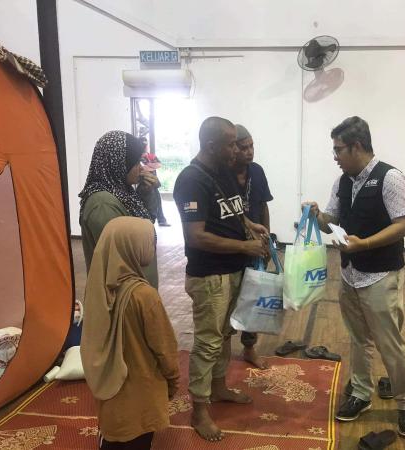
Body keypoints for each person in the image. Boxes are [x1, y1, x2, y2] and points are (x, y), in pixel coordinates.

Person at [305, 116, 405, 437]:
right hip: (350, 274)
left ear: (356, 147)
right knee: (358, 339)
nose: (335, 156)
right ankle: (360, 392)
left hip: (381, 275)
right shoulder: (343, 181)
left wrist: (365, 244)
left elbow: (403, 225)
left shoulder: (390, 178)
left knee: (389, 343)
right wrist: (317, 216)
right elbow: (331, 220)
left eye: (338, 149)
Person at [173, 116, 269, 442]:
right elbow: (196, 236)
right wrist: (245, 246)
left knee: (226, 335)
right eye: (231, 144)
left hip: (233, 270)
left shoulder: (223, 172)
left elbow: (233, 211)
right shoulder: (191, 180)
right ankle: (199, 410)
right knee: (208, 343)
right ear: (212, 145)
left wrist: (250, 225)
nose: (237, 150)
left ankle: (218, 388)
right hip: (209, 276)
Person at [80, 216, 179, 450]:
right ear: (133, 246)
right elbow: (164, 347)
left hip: (110, 394)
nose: (152, 247)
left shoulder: (98, 290)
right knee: (138, 440)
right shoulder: (144, 296)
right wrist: (173, 380)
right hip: (141, 394)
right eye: (150, 242)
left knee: (113, 439)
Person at [79, 130, 160, 287]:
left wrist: (146, 193)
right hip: (121, 296)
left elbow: (147, 222)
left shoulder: (123, 192)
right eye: (136, 163)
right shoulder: (102, 203)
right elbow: (120, 259)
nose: (141, 169)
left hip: (136, 291)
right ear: (118, 163)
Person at [232, 124, 274, 369]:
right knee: (231, 299)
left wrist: (266, 237)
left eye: (252, 146)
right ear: (232, 148)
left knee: (254, 299)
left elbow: (263, 205)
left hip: (257, 246)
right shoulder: (222, 174)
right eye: (243, 147)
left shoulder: (257, 171)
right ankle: (221, 349)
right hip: (231, 247)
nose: (249, 151)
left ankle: (249, 347)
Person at [140, 137, 170, 227]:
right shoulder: (139, 157)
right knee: (149, 204)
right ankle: (150, 222)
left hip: (154, 183)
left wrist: (149, 165)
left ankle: (161, 220)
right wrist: (151, 165)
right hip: (145, 184)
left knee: (158, 201)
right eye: (144, 144)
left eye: (146, 144)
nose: (146, 146)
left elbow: (158, 164)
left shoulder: (151, 156)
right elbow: (144, 168)